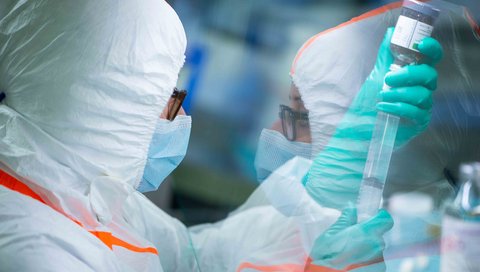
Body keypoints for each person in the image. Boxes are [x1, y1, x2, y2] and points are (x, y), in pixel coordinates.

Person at [0, 0, 476, 271]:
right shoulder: (37, 252)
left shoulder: (80, 195)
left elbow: (196, 256)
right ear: (114, 104)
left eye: (298, 115)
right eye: (168, 98)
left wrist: (323, 208)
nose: (177, 116)